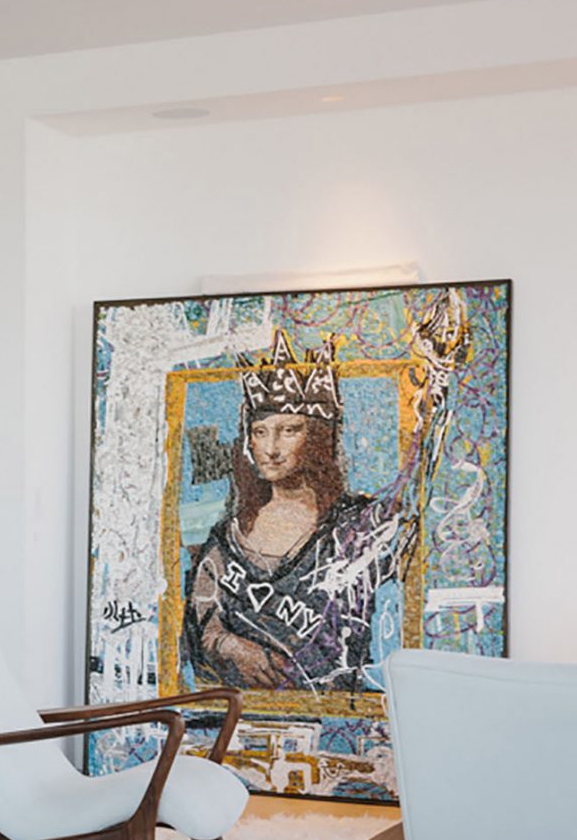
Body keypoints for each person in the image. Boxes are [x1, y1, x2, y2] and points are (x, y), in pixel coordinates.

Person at [185, 294, 467, 692]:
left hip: (335, 712)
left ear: (316, 438)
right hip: (238, 712)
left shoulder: (357, 528)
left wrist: (434, 390)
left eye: (289, 430)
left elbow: (415, 494)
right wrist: (229, 645)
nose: (271, 448)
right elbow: (202, 627)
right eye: (261, 432)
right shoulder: (227, 539)